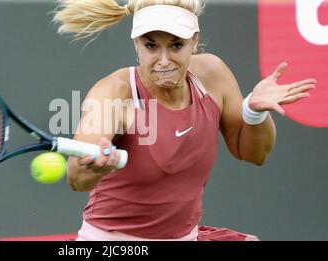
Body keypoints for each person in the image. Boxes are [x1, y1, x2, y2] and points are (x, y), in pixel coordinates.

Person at [52, 0, 316, 241]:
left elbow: (254, 154)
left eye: (176, 45)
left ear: (194, 42)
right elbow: (77, 178)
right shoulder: (113, 92)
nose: (163, 60)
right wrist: (94, 167)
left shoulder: (212, 74)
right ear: (136, 44)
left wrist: (254, 112)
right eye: (151, 46)